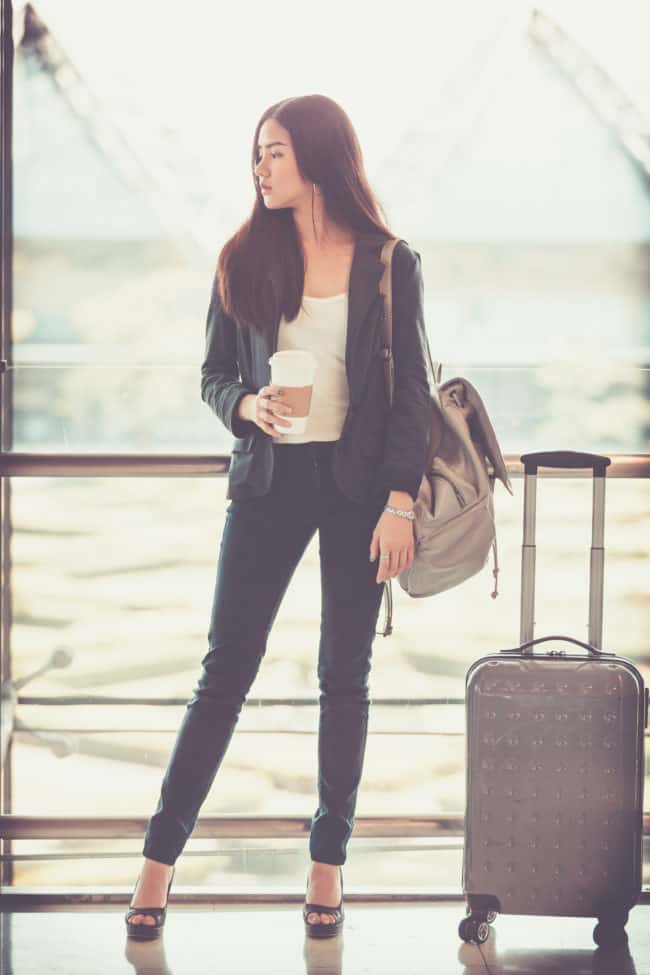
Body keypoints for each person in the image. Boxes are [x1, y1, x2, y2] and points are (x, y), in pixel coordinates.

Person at [125, 94, 432, 940]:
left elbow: (414, 396)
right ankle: (157, 864)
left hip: (360, 490)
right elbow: (214, 373)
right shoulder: (242, 256)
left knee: (346, 677)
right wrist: (246, 405)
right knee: (225, 671)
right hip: (269, 479)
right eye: (256, 154)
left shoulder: (389, 261)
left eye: (275, 153)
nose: (260, 168)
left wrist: (400, 501)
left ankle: (327, 863)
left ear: (321, 158)